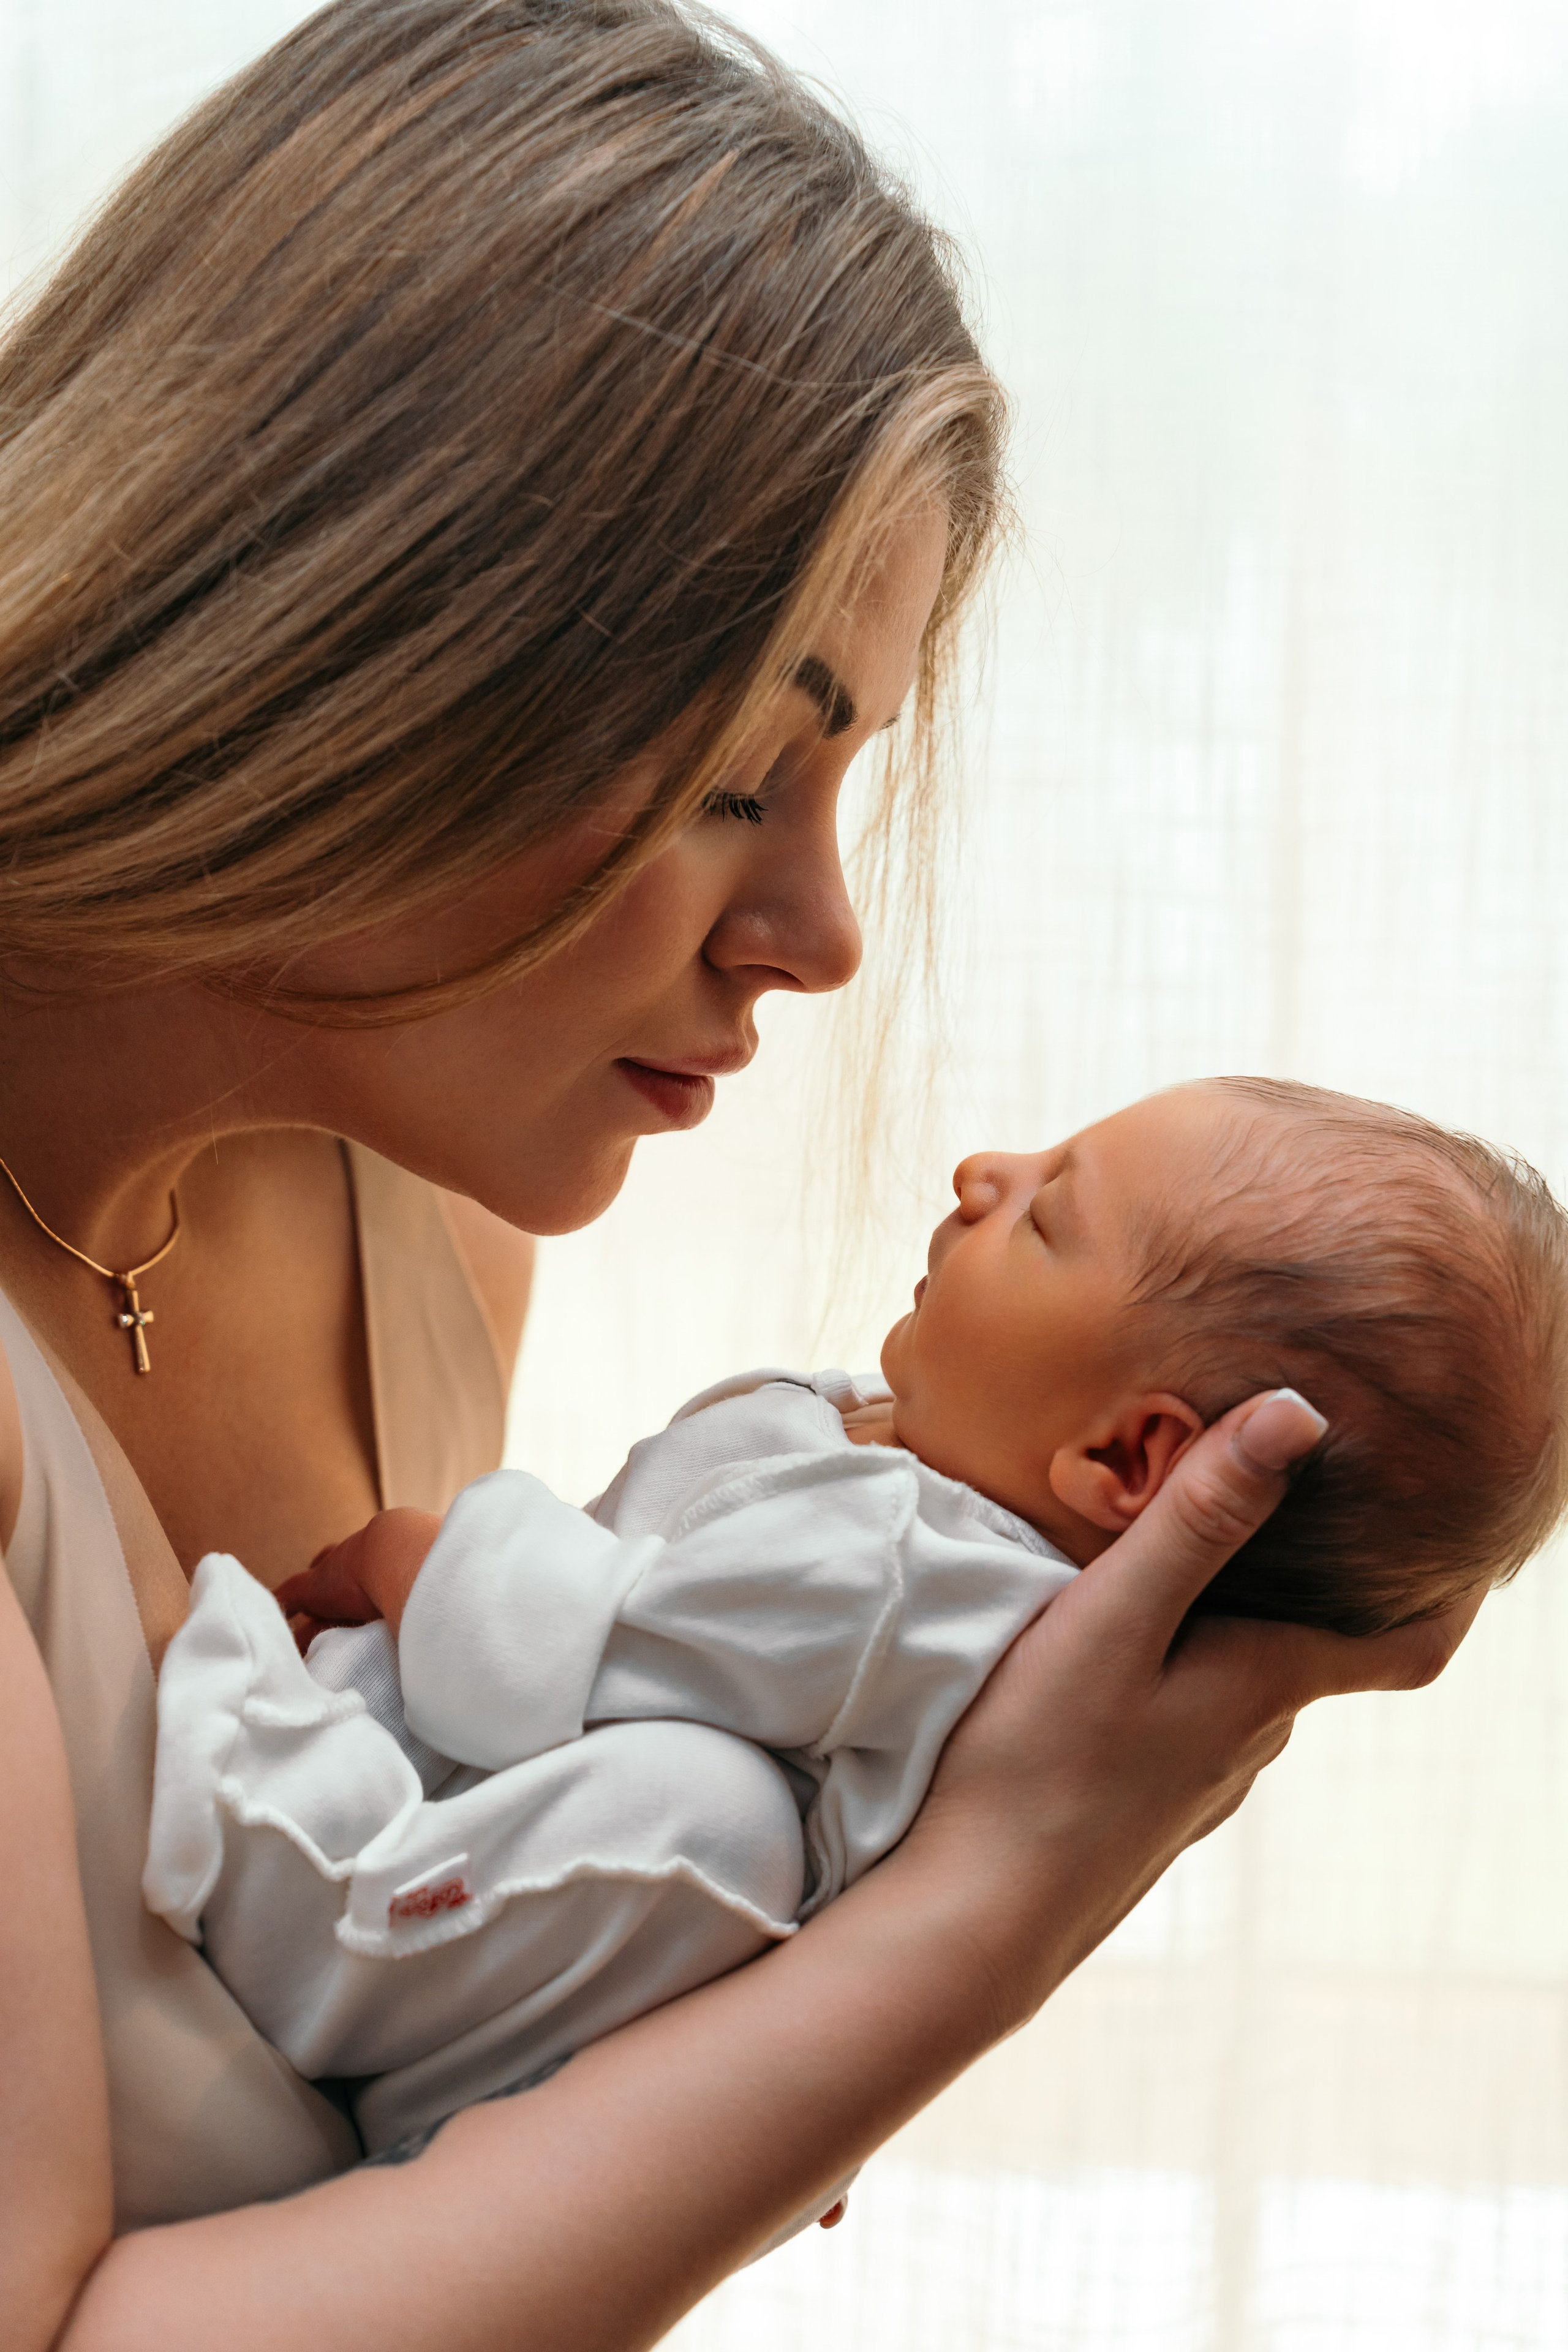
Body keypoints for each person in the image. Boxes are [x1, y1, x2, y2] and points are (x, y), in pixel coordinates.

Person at [0, 6, 1479, 2348]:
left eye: (840, 790)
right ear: (365, 643)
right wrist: (969, 1925)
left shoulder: (432, 1232)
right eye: (734, 782)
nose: (820, 939)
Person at [140, 1074, 1567, 2160]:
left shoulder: (913, 1579)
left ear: (1129, 1461)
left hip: (448, 1939)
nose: (978, 1172)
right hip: (526, 1956)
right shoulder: (918, 1488)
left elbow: (532, 1660)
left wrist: (401, 1556)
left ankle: (301, 1896)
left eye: (1047, 1212)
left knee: (701, 1803)